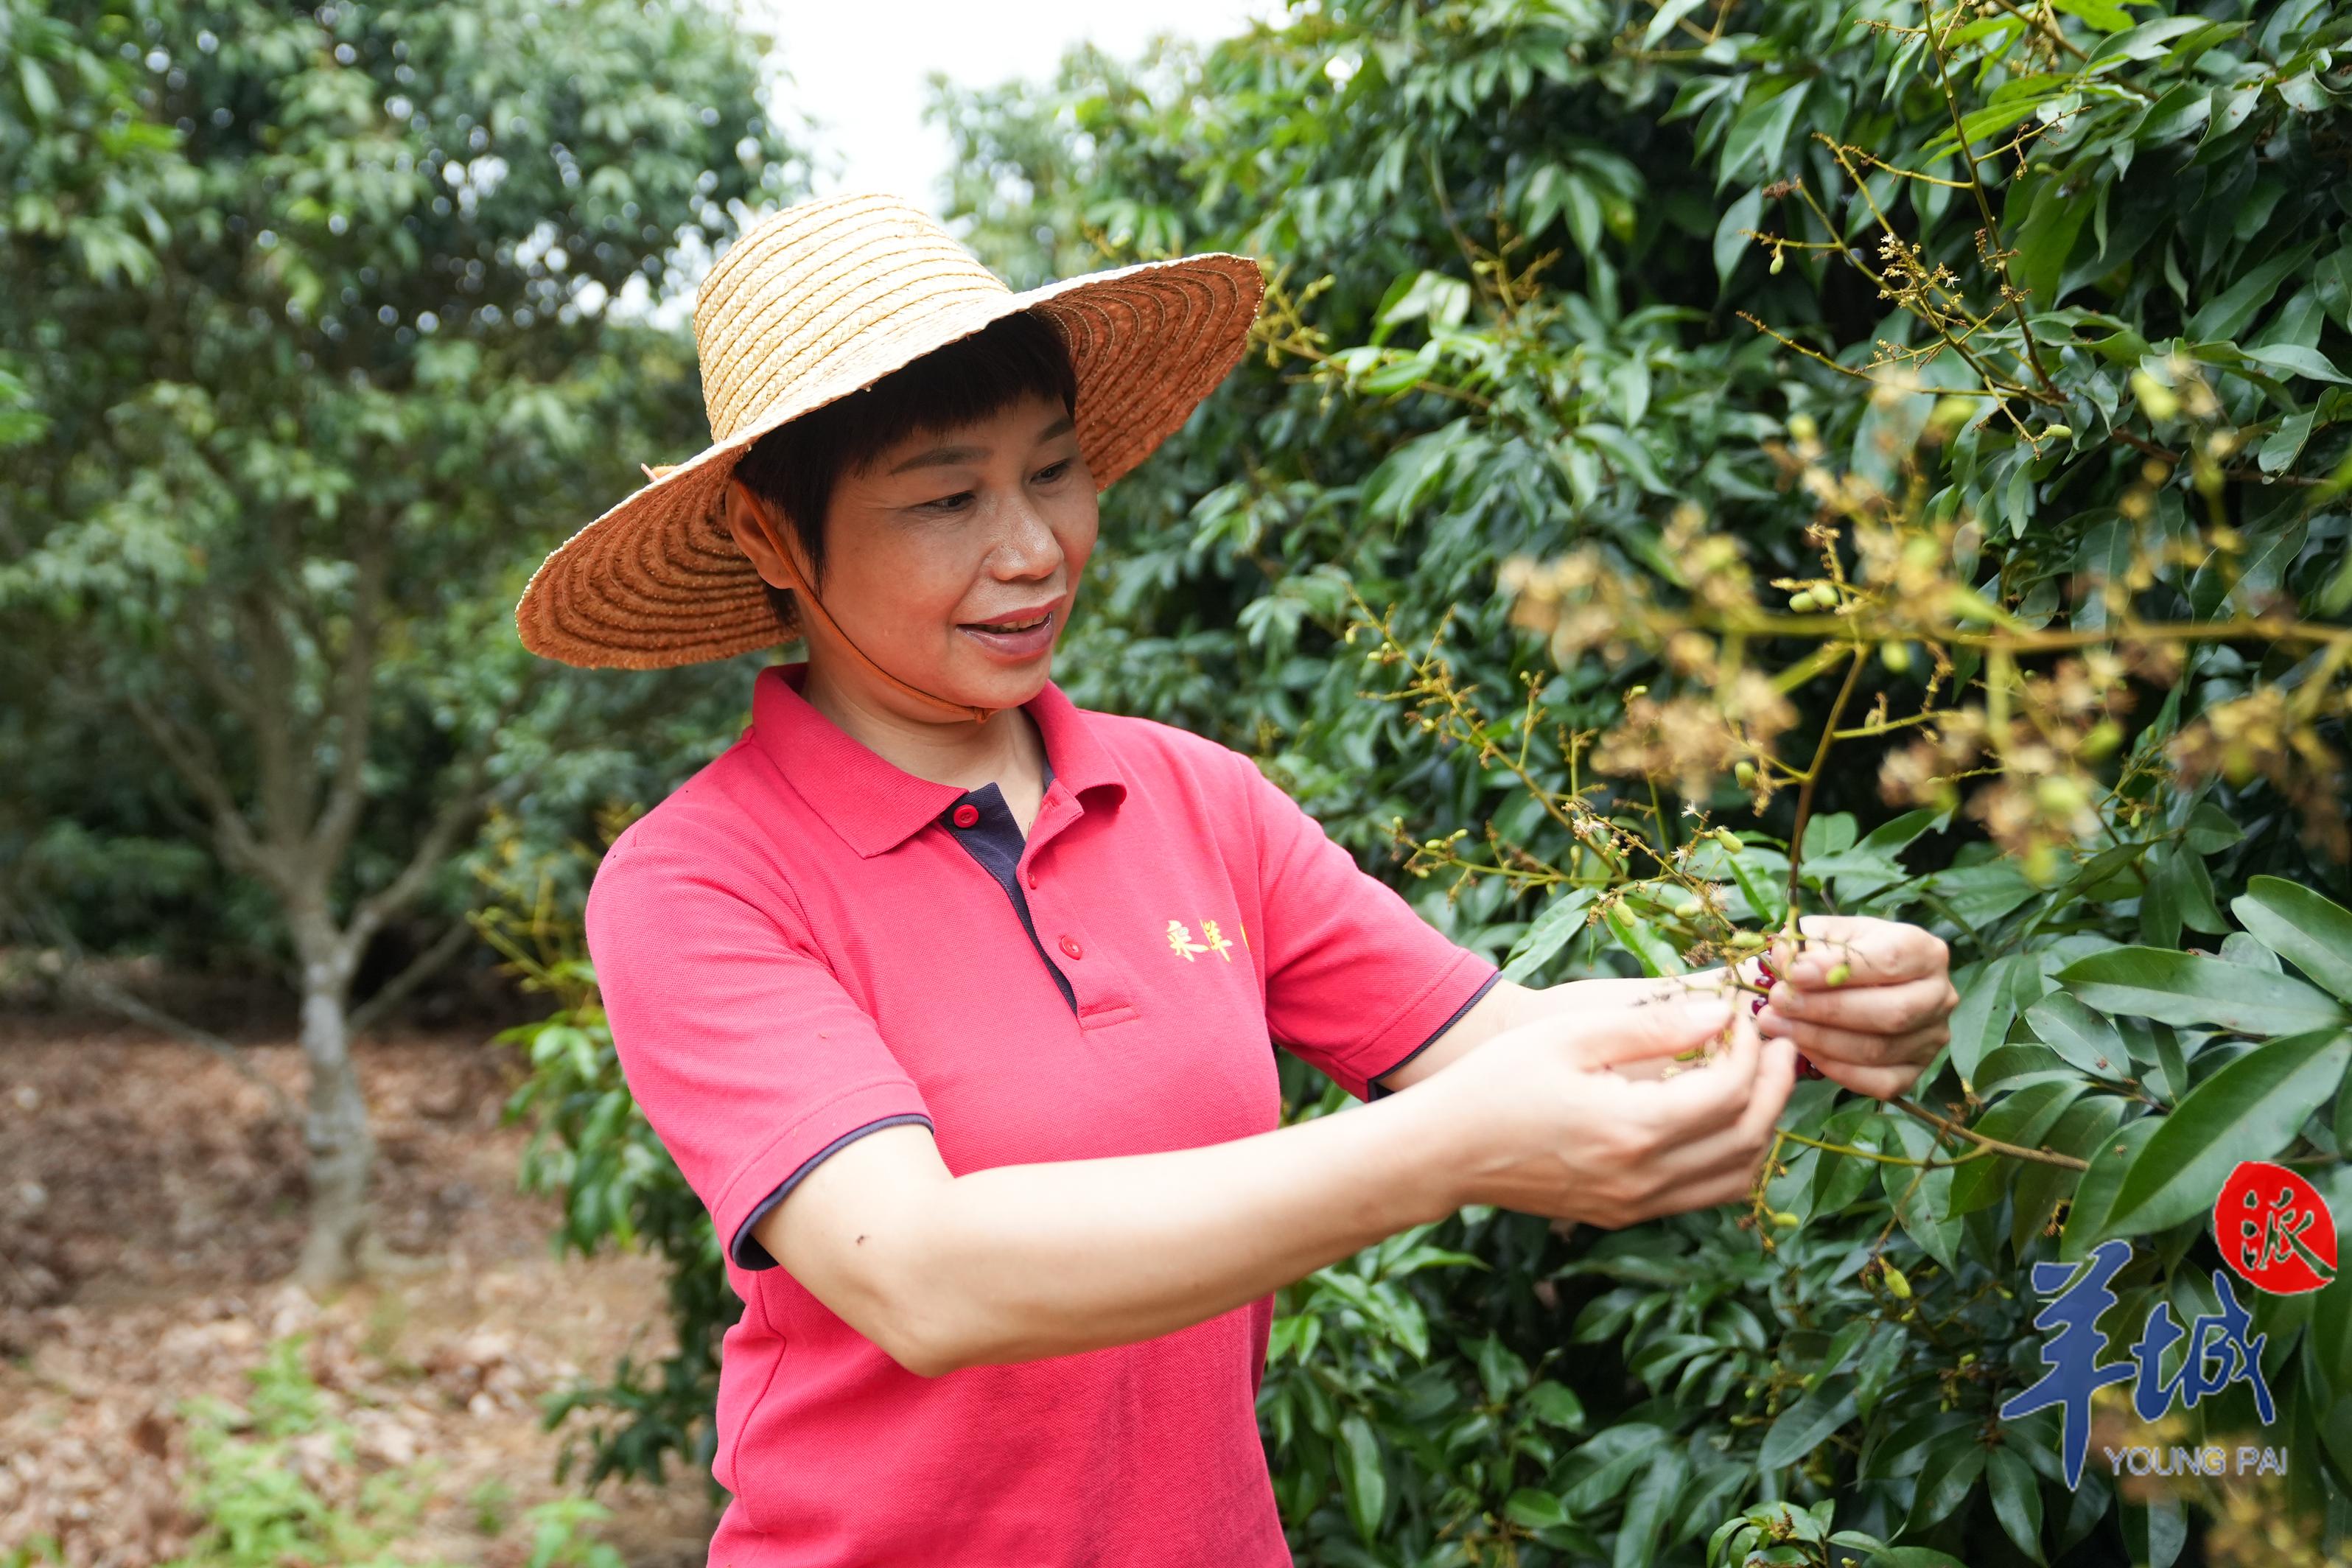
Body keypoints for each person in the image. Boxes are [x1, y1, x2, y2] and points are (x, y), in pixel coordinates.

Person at [515, 193, 1959, 1567]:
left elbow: (1506, 1047)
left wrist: (1777, 999)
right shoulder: (700, 880)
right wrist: (1445, 1151)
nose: (1034, 549)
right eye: (948, 496)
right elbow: (927, 1273)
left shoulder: (1194, 799)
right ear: (776, 537)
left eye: (1055, 469)